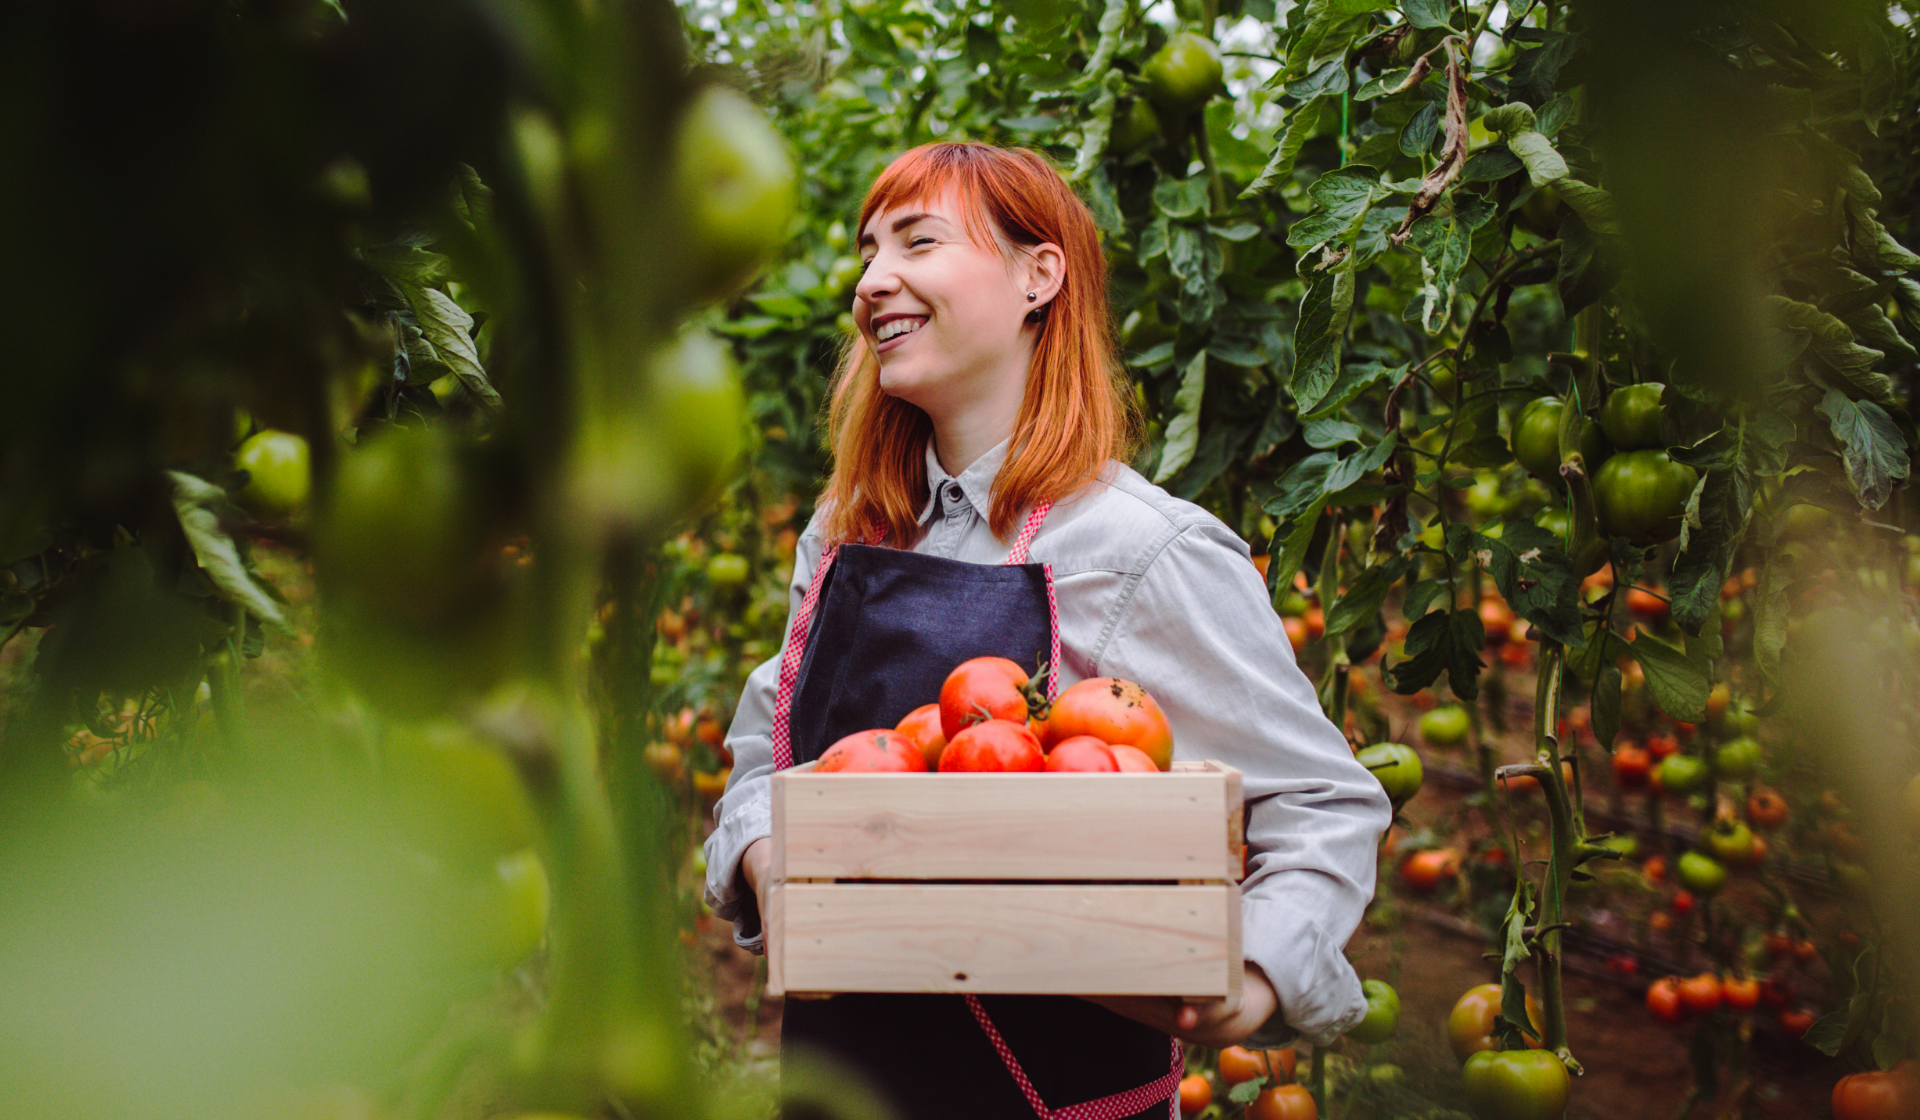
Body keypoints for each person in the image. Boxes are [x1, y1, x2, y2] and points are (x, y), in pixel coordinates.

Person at [703, 142, 1390, 1120]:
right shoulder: (848, 532)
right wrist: (770, 858)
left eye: (917, 240)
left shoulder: (1139, 548)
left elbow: (1321, 801)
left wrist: (1253, 969)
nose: (872, 280)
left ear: (1040, 276)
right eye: (866, 252)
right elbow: (766, 758)